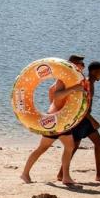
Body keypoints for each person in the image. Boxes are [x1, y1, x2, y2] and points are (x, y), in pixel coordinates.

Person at [20, 54, 86, 186]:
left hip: (57, 118)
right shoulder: (64, 79)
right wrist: (72, 90)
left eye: (83, 65)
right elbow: (57, 95)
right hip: (57, 120)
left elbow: (51, 90)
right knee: (58, 147)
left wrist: (54, 109)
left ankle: (26, 173)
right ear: (72, 64)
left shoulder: (66, 78)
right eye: (80, 64)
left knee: (60, 146)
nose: (83, 67)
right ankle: (27, 173)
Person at [57, 61, 100, 183]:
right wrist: (93, 120)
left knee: (99, 143)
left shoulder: (90, 83)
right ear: (94, 72)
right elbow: (82, 106)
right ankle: (61, 174)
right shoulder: (87, 84)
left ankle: (99, 175)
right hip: (82, 119)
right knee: (73, 147)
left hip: (84, 119)